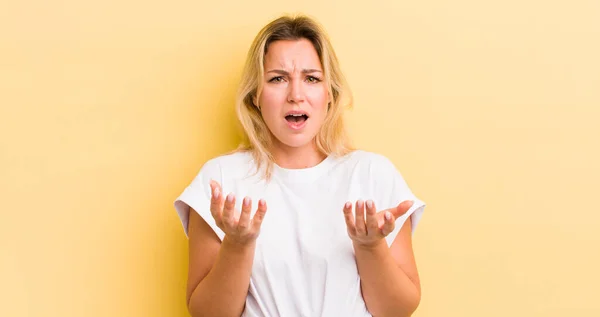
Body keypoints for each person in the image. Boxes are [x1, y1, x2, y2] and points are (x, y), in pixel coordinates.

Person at [174, 14, 426, 317]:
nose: (296, 95)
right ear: (256, 94)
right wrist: (237, 245)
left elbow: (397, 310)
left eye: (312, 78)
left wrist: (370, 246)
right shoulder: (221, 180)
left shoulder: (372, 174)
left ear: (329, 95)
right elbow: (207, 314)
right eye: (278, 78)